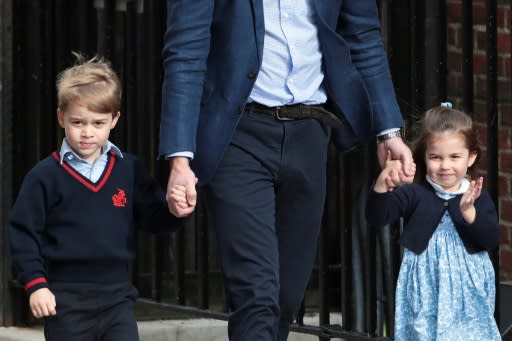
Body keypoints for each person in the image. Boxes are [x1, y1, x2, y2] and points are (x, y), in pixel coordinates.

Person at [159, 1, 414, 340]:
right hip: (238, 135)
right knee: (256, 295)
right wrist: (180, 160)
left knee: (285, 297)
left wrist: (389, 131)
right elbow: (185, 52)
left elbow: (364, 36)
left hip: (310, 132)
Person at [8, 54, 182, 341]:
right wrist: (36, 284)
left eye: (98, 123)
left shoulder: (129, 168)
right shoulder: (44, 176)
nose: (87, 133)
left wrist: (175, 210)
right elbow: (23, 233)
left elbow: (153, 217)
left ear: (114, 120)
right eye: (78, 122)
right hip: (65, 301)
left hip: (117, 299)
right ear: (61, 117)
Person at [366, 105, 501, 340]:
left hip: (467, 289)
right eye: (436, 157)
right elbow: (377, 216)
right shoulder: (414, 193)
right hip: (424, 284)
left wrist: (469, 212)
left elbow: (490, 238)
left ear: (471, 157)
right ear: (424, 157)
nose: (445, 165)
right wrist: (382, 183)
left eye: (455, 157)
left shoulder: (475, 195)